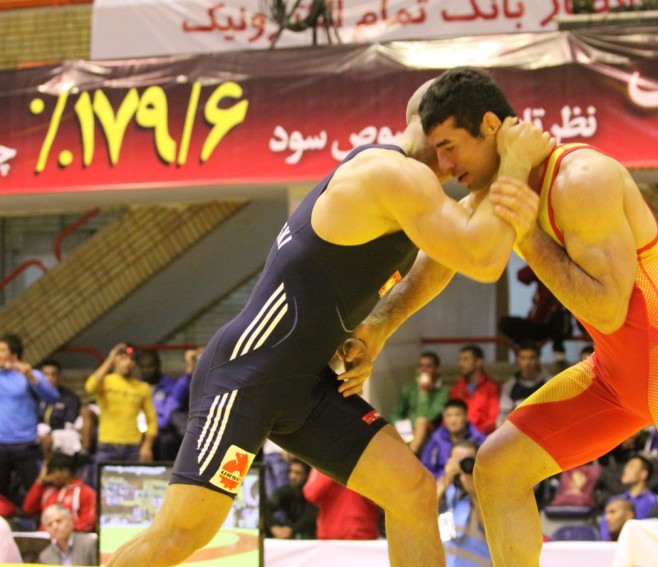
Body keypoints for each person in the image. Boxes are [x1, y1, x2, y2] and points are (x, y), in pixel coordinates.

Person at [347, 67, 658, 566]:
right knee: (498, 467)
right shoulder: (503, 189)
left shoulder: (582, 180)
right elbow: (440, 262)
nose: (442, 165)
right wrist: (378, 328)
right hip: (614, 375)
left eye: (448, 147)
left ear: (489, 126)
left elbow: (608, 311)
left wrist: (526, 232)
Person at [104, 80, 553, 567]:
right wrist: (514, 163)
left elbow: (441, 259)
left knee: (412, 491)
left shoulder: (411, 184)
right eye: (451, 145)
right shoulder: (390, 174)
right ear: (433, 129)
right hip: (247, 376)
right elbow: (482, 258)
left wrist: (379, 326)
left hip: (307, 385)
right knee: (181, 534)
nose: (457, 164)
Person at [0, 333, 60, 506]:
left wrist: (31, 378)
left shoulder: (31, 374)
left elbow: (53, 397)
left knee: (37, 492)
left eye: (2, 350)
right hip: (0, 444)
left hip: (25, 444)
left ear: (14, 354)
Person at [85, 343, 157, 466]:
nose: (128, 363)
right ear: (116, 361)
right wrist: (110, 359)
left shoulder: (142, 387)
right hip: (107, 445)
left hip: (132, 447)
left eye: (132, 360)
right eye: (123, 358)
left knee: (133, 478)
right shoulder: (105, 381)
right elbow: (90, 388)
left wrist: (147, 445)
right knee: (102, 478)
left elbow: (152, 420)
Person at [498, 264, 570, 365]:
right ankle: (526, 347)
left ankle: (559, 352)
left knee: (559, 315)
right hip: (537, 323)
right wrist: (539, 262)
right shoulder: (543, 271)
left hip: (559, 325)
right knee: (505, 323)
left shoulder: (568, 274)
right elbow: (521, 276)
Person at [438, 441, 491, 567]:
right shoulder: (442, 488)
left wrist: (474, 493)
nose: (462, 466)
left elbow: (492, 531)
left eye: (467, 461)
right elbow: (423, 515)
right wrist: (446, 481)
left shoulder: (488, 492)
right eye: (457, 462)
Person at [389, 351, 449, 455]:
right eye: (421, 366)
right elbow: (396, 413)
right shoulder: (409, 388)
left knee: (421, 422)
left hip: (431, 428)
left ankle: (410, 455)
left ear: (437, 369)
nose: (424, 369)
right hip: (408, 429)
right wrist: (406, 429)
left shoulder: (443, 392)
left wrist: (423, 392)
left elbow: (428, 416)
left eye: (428, 366)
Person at [138, 349, 191, 462]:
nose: (147, 370)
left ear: (158, 365)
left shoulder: (169, 385)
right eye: (143, 367)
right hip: (138, 430)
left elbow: (172, 407)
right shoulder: (136, 386)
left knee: (167, 441)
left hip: (162, 430)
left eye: (150, 366)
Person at [23, 452, 96, 532]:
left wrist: (61, 532)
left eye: (52, 472)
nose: (50, 477)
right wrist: (40, 480)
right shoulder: (48, 492)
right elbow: (28, 509)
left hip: (73, 537)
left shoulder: (86, 493)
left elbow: (87, 523)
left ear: (65, 472)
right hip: (45, 537)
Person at [302, 468, 379, 540]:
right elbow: (311, 493)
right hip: (330, 538)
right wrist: (332, 467)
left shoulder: (369, 464)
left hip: (363, 537)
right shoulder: (325, 462)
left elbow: (379, 496)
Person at [598, 454, 658, 540]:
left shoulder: (655, 501)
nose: (625, 469)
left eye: (631, 466)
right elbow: (605, 533)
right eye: (626, 466)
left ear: (643, 474)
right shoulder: (614, 500)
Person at [422, 400, 487, 479]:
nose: (453, 420)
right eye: (449, 415)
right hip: (441, 482)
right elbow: (426, 469)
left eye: (457, 415)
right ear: (444, 418)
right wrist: (445, 476)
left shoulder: (479, 440)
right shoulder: (435, 439)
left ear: (466, 417)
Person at [448, 345, 500, 435]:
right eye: (460, 360)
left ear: (479, 362)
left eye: (465, 359)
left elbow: (493, 420)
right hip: (456, 436)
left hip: (482, 437)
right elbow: (448, 415)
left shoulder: (492, 387)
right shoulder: (456, 388)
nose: (460, 364)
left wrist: (472, 433)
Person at [497, 342, 550, 427]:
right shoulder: (509, 386)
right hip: (518, 430)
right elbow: (503, 417)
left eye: (532, 358)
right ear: (517, 359)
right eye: (523, 358)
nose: (527, 362)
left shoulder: (550, 383)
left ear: (538, 359)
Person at [266, 459, 317, 540]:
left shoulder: (315, 492)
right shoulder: (286, 491)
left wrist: (292, 530)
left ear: (308, 475)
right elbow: (265, 509)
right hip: (292, 531)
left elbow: (312, 516)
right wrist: (274, 527)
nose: (292, 476)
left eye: (298, 473)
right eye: (291, 471)